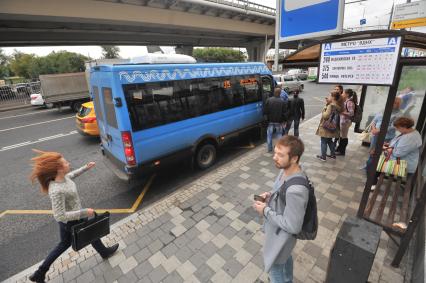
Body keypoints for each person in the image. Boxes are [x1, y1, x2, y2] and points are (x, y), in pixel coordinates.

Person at [29, 150, 119, 283]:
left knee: (66, 243)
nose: (68, 163)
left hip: (74, 219)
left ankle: (39, 273)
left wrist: (85, 168)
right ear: (58, 169)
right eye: (65, 162)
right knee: (90, 233)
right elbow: (59, 215)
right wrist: (84, 212)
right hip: (71, 222)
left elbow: (72, 175)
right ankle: (104, 252)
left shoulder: (63, 178)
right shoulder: (56, 190)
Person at [253, 136, 309, 283]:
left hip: (282, 237)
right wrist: (270, 196)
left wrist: (265, 210)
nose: (274, 157)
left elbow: (293, 226)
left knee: (274, 268)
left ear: (294, 158)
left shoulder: (297, 190)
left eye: (280, 155)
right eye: (275, 152)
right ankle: (289, 279)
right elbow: (281, 192)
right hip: (279, 236)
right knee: (284, 258)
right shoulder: (285, 170)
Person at [364, 97, 401, 171]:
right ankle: (368, 166)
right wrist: (374, 129)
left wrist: (379, 130)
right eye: (392, 102)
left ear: (398, 105)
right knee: (372, 150)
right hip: (375, 135)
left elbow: (393, 126)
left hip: (386, 136)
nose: (393, 104)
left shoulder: (399, 114)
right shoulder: (383, 110)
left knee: (379, 153)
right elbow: (374, 120)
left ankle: (374, 169)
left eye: (395, 103)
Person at [316, 91, 342, 161]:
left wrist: (324, 109)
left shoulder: (330, 105)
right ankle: (333, 155)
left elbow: (326, 116)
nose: (328, 97)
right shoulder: (337, 106)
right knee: (330, 141)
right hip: (333, 126)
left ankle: (323, 157)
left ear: (333, 97)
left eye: (330, 96)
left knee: (323, 141)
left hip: (326, 127)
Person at [264, 87, 289, 152]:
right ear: (280, 93)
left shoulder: (268, 100)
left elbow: (265, 111)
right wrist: (285, 121)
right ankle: (278, 148)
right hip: (279, 122)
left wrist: (266, 120)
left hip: (270, 121)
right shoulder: (282, 101)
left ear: (274, 93)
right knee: (279, 135)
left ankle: (269, 148)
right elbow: (284, 113)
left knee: (269, 135)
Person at [336, 89, 358, 156]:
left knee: (344, 137)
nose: (342, 94)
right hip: (343, 121)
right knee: (342, 136)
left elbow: (351, 113)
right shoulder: (347, 101)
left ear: (347, 94)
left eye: (344, 93)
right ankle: (339, 148)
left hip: (346, 122)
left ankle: (342, 151)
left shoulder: (350, 102)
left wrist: (341, 112)